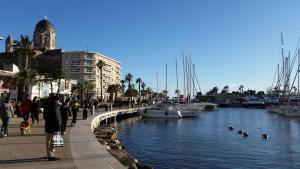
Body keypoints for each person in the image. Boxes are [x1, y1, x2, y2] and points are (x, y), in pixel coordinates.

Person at [43, 94, 62, 161]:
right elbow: (57, 118)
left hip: (48, 125)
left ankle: (48, 154)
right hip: (54, 126)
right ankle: (51, 155)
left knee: (48, 140)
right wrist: (59, 126)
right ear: (56, 100)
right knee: (53, 141)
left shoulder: (47, 105)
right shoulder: (55, 106)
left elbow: (44, 116)